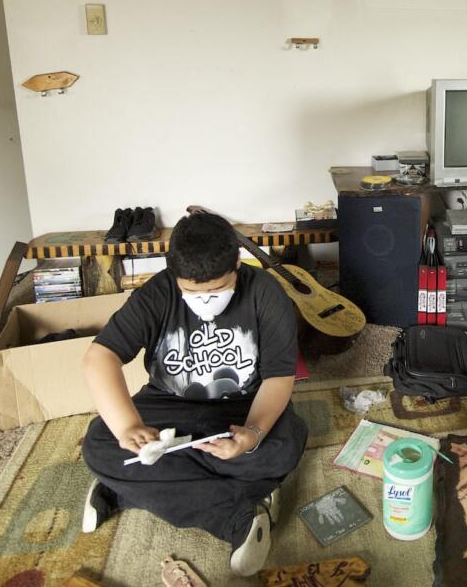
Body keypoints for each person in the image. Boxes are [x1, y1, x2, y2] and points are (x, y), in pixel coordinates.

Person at [80, 211, 308, 576]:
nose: (204, 300)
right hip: (166, 406)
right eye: (192, 291)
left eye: (216, 289)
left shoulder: (266, 291)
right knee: (99, 443)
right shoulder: (157, 292)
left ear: (237, 262)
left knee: (283, 445)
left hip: (242, 409)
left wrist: (254, 434)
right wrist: (126, 428)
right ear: (174, 274)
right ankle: (234, 516)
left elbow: (279, 379)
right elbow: (98, 359)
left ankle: (126, 490)